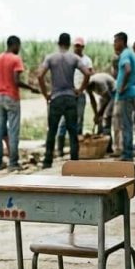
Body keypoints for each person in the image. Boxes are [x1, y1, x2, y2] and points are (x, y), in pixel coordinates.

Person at [37, 32, 93, 168]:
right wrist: (80, 90)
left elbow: (39, 76)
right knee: (73, 131)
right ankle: (74, 161)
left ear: (58, 43)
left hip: (56, 97)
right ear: (69, 44)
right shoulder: (73, 58)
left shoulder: (51, 58)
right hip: (70, 97)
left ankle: (47, 161)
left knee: (52, 130)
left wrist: (46, 94)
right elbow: (87, 73)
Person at [0, 35, 35, 171]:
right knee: (13, 130)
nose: (19, 49)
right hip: (12, 97)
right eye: (19, 46)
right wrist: (31, 88)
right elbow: (16, 80)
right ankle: (13, 163)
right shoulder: (16, 59)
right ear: (15, 45)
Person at [56, 37, 93, 157]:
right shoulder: (69, 59)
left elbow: (88, 75)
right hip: (68, 94)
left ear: (83, 47)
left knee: (79, 120)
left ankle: (76, 149)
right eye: (76, 45)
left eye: (79, 46)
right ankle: (60, 149)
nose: (77, 48)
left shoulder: (87, 60)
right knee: (63, 121)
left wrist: (81, 89)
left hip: (80, 94)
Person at [113, 32, 135, 161]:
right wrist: (132, 81)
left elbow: (128, 69)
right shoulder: (132, 53)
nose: (114, 44)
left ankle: (127, 154)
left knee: (126, 125)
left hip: (125, 94)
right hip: (131, 92)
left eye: (115, 41)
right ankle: (127, 152)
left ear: (122, 41)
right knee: (128, 123)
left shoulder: (124, 54)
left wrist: (123, 86)